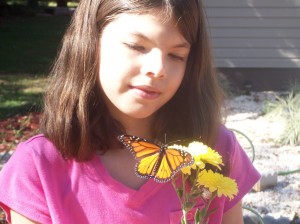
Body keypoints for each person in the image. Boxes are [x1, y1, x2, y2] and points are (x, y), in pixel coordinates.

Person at [0, 0, 260, 223]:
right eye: (137, 46)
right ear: (90, 43)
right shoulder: (37, 168)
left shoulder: (218, 149)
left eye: (176, 55)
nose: (158, 68)